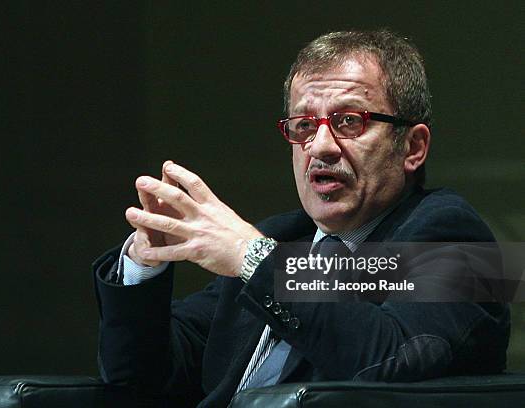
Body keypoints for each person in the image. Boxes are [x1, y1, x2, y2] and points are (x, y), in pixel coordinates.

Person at [93, 30, 510, 407]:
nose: (320, 146)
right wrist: (144, 264)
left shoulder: (458, 240)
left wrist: (253, 257)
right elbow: (141, 379)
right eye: (305, 125)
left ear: (413, 147)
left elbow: (390, 359)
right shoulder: (283, 237)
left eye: (350, 121)